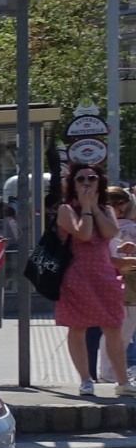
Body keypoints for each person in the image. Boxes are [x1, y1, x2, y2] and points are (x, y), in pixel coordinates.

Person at [55, 162, 133, 397]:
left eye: (92, 178)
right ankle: (85, 379)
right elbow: (84, 234)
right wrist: (85, 206)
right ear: (72, 184)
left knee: (113, 326)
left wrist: (95, 208)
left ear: (100, 182)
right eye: (81, 179)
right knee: (78, 327)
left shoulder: (106, 209)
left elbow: (109, 233)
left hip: (104, 275)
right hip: (75, 276)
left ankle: (122, 381)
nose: (87, 182)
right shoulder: (66, 209)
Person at [100, 185, 136, 383]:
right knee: (123, 329)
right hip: (124, 284)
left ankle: (109, 372)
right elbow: (113, 260)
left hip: (107, 282)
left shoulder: (101, 227)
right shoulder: (128, 228)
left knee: (114, 330)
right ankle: (111, 373)